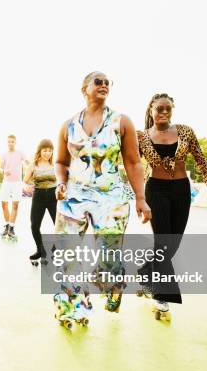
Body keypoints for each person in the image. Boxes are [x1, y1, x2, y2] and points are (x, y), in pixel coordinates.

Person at [54, 71, 151, 325]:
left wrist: (140, 197)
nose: (104, 85)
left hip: (111, 198)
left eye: (108, 82)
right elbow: (61, 161)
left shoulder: (122, 122)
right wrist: (61, 182)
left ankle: (114, 285)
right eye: (98, 81)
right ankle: (72, 307)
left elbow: (132, 162)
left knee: (109, 259)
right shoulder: (69, 125)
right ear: (84, 88)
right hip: (73, 197)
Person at [137, 93, 207, 317]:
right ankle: (161, 295)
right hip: (155, 190)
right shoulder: (142, 136)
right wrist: (137, 196)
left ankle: (146, 269)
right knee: (163, 242)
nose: (164, 112)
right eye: (160, 109)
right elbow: (133, 165)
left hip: (181, 189)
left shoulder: (185, 131)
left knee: (172, 244)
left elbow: (201, 158)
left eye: (168, 109)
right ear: (151, 111)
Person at [23, 139, 56, 265]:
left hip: (53, 197)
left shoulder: (55, 165)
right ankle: (40, 250)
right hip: (39, 197)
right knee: (34, 225)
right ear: (40, 151)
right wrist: (25, 186)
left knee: (59, 226)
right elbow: (25, 181)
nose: (47, 153)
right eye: (45, 150)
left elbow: (63, 180)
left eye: (50, 150)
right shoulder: (33, 165)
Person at [0, 135, 29, 241]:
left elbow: (28, 163)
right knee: (4, 204)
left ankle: (11, 228)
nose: (10, 143)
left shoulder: (20, 153)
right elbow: (0, 168)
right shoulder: (3, 154)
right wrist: (3, 171)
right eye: (9, 142)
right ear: (7, 143)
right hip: (6, 182)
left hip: (17, 183)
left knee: (15, 205)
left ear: (15, 142)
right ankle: (7, 226)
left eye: (12, 141)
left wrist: (34, 167)